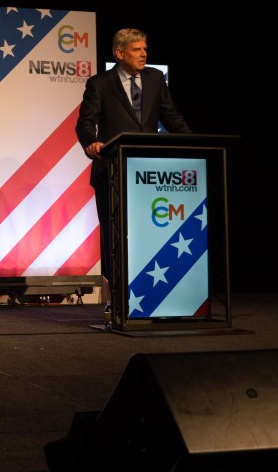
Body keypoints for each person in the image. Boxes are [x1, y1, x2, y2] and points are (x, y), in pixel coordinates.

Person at [75, 28, 191, 309]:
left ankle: (153, 295)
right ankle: (117, 300)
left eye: (145, 49)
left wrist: (192, 143)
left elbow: (171, 116)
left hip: (149, 175)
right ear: (119, 53)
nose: (144, 54)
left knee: (149, 233)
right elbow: (85, 123)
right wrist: (92, 143)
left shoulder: (154, 78)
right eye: (137, 49)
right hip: (111, 171)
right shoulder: (100, 84)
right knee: (115, 238)